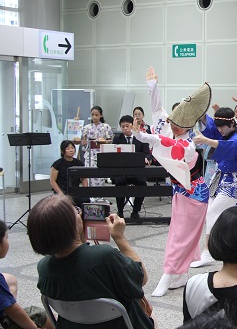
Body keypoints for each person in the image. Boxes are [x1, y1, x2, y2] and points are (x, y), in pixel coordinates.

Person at [27, 195, 154, 328]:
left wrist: (79, 238)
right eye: (76, 211)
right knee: (151, 314)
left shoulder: (43, 269)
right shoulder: (105, 257)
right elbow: (142, 279)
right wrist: (119, 237)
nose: (80, 213)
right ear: (70, 225)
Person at [134, 81, 212, 297]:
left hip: (194, 193)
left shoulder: (188, 144)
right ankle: (181, 274)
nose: (173, 125)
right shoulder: (173, 130)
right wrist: (152, 87)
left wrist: (144, 137)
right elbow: (158, 111)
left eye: (178, 124)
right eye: (173, 122)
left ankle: (168, 274)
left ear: (188, 126)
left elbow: (165, 142)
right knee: (178, 234)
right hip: (180, 191)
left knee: (181, 236)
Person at [192, 107, 237, 268]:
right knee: (226, 217)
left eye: (223, 126)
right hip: (221, 178)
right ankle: (232, 249)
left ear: (231, 123)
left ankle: (208, 252)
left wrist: (206, 141)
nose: (220, 129)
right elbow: (211, 131)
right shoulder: (224, 133)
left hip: (234, 181)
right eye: (218, 126)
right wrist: (202, 116)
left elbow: (226, 145)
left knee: (214, 213)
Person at [0, 220, 54, 329]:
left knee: (10, 279)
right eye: (6, 237)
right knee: (40, 315)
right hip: (10, 312)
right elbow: (14, 310)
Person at [112, 115, 153, 218]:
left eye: (127, 125)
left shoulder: (141, 137)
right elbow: (112, 155)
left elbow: (148, 153)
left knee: (143, 184)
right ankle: (120, 211)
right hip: (122, 172)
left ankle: (135, 211)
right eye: (123, 126)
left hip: (137, 171)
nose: (125, 128)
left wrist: (146, 159)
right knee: (119, 183)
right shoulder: (117, 139)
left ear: (133, 125)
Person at [50, 140, 89, 207]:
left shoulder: (79, 163)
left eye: (72, 148)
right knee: (65, 202)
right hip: (62, 191)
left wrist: (84, 191)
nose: (71, 150)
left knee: (86, 200)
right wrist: (60, 194)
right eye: (68, 149)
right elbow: (52, 181)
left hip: (75, 191)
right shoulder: (57, 164)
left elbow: (83, 179)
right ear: (62, 151)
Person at [81, 106, 113, 187]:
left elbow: (110, 140)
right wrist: (84, 142)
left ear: (101, 115)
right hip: (90, 153)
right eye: (92, 115)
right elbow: (84, 142)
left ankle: (99, 194)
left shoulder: (106, 127)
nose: (94, 117)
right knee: (89, 174)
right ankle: (89, 195)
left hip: (101, 153)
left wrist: (103, 141)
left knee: (100, 175)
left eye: (96, 115)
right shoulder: (86, 128)